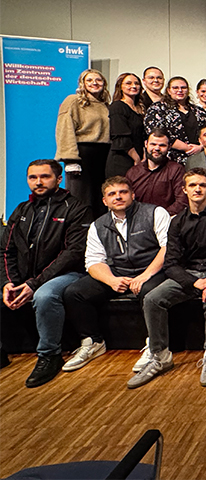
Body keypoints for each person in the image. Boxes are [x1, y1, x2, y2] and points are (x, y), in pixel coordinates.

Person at [129, 168, 206, 389]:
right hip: (190, 274)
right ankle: (160, 356)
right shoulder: (177, 221)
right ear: (184, 190)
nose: (197, 189)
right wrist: (194, 282)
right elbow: (171, 263)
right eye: (192, 185)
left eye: (202, 185)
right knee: (152, 299)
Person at [62, 177, 170, 372]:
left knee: (150, 292)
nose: (118, 197)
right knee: (75, 293)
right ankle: (93, 342)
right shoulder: (98, 225)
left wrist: (145, 275)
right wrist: (111, 280)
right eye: (112, 194)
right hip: (118, 272)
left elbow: (167, 249)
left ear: (133, 195)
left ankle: (154, 346)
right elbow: (93, 262)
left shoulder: (155, 212)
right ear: (104, 201)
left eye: (123, 192)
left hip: (152, 270)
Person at [1, 160, 91, 388]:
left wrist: (35, 283)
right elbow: (6, 250)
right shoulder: (21, 210)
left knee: (44, 295)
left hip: (67, 274)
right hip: (26, 276)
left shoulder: (76, 208)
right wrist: (9, 282)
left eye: (45, 177)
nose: (38, 182)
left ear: (59, 179)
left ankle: (50, 355)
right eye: (33, 177)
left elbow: (73, 253)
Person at [55, 68, 111, 215]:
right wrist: (70, 159)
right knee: (81, 199)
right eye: (89, 80)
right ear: (82, 83)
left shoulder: (105, 105)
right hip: (82, 154)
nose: (94, 83)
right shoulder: (73, 101)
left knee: (100, 198)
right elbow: (65, 129)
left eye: (98, 80)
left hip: (104, 155)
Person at [144, 76, 206, 165]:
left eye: (183, 88)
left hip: (199, 157)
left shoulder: (199, 111)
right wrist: (186, 148)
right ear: (168, 90)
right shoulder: (158, 108)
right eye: (175, 88)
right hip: (170, 159)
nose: (180, 90)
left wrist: (201, 147)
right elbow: (155, 132)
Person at [126, 129, 188, 215]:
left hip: (167, 219)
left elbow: (182, 202)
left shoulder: (176, 170)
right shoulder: (133, 172)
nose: (157, 148)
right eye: (153, 144)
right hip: (137, 219)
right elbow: (126, 199)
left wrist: (159, 217)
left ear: (169, 147)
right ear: (146, 144)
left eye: (162, 145)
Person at [106, 72, 146, 178]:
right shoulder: (117, 106)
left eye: (136, 83)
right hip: (122, 158)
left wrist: (143, 155)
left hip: (138, 157)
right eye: (128, 83)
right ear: (120, 87)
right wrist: (136, 158)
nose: (133, 86)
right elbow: (120, 136)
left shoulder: (140, 109)